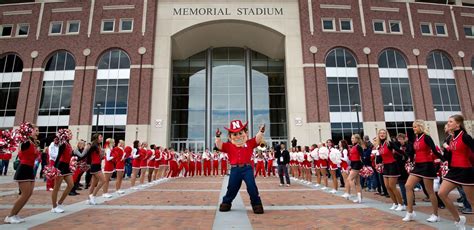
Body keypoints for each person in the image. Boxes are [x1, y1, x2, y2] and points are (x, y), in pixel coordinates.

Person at [216, 120, 265, 214]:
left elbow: (257, 139)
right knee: (232, 187)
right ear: (230, 136)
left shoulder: (249, 143)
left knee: (252, 187)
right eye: (235, 134)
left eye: (240, 133)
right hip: (235, 169)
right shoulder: (229, 146)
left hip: (247, 169)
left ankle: (257, 204)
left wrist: (261, 132)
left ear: (245, 133)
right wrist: (218, 137)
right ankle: (226, 202)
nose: (238, 136)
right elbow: (219, 146)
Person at [438, 115, 474, 230]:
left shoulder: (465, 137)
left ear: (458, 124)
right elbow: (447, 157)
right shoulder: (450, 138)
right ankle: (459, 220)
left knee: (472, 200)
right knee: (441, 193)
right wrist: (446, 148)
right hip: (453, 170)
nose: (448, 123)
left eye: (450, 122)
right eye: (448, 121)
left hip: (466, 170)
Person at [4, 123, 39, 224]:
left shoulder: (32, 143)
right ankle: (10, 216)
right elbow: (21, 143)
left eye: (37, 130)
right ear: (28, 131)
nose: (36, 132)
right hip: (23, 169)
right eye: (34, 130)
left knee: (29, 194)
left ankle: (15, 214)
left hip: (30, 170)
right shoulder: (25, 142)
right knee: (24, 194)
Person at [375, 129, 405, 211]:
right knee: (387, 187)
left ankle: (401, 204)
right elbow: (380, 157)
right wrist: (378, 161)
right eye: (380, 133)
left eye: (384, 133)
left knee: (392, 186)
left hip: (392, 165)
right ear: (378, 135)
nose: (382, 134)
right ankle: (395, 203)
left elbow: (398, 150)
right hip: (386, 166)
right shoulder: (379, 145)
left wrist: (406, 156)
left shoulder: (389, 143)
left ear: (386, 135)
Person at [51, 129, 74, 213]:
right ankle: (54, 207)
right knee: (56, 187)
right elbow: (58, 156)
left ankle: (59, 202)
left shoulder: (69, 144)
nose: (71, 134)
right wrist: (54, 168)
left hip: (67, 167)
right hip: (60, 166)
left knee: (71, 185)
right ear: (65, 135)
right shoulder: (63, 144)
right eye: (70, 133)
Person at [86, 134, 105, 205]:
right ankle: (93, 196)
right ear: (97, 138)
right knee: (103, 180)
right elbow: (88, 154)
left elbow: (97, 156)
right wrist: (88, 163)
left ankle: (88, 199)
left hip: (97, 165)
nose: (101, 138)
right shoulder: (94, 146)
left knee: (93, 184)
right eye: (100, 137)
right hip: (95, 166)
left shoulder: (98, 146)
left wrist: (102, 157)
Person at [347, 135, 363, 203]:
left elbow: (362, 156)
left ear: (357, 139)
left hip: (357, 164)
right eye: (351, 138)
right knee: (357, 182)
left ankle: (357, 194)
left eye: (353, 138)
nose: (352, 139)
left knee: (349, 179)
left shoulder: (358, 146)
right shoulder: (354, 146)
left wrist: (363, 166)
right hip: (353, 164)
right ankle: (360, 197)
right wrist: (350, 165)